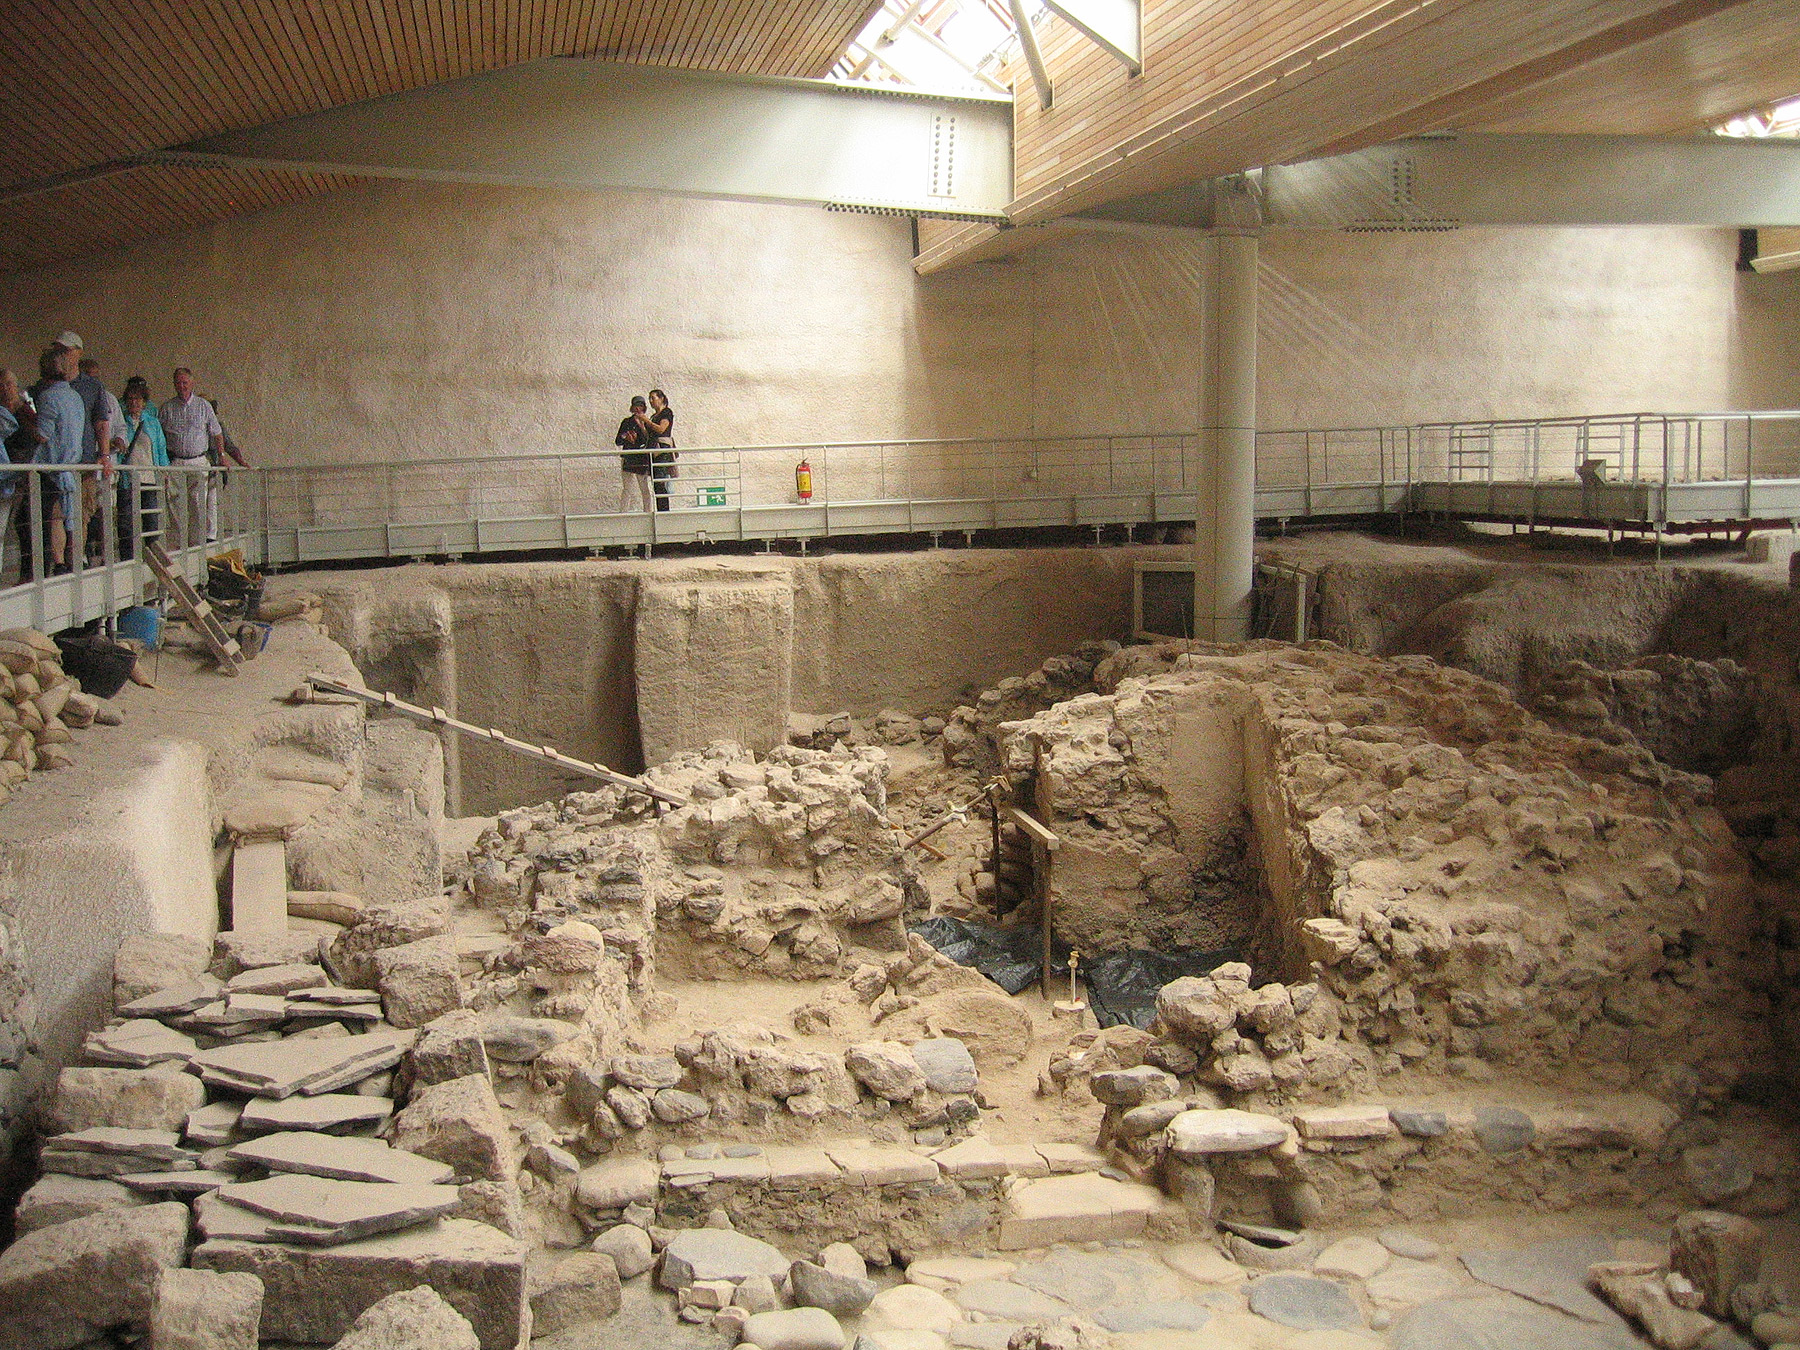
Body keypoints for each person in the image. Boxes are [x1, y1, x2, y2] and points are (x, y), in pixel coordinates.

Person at [30, 347, 82, 573]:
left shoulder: (49, 398)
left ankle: (58, 563)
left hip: (52, 469)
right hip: (71, 466)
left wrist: (27, 420)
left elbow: (43, 434)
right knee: (69, 517)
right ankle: (73, 561)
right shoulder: (75, 397)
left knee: (53, 518)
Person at [158, 366, 223, 548]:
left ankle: (198, 543)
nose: (182, 386)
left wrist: (221, 456)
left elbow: (217, 433)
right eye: (178, 383)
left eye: (185, 382)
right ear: (174, 384)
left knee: (198, 502)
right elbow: (159, 436)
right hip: (176, 460)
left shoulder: (204, 406)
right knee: (174, 502)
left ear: (192, 383)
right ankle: (180, 542)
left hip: (198, 459)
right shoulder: (167, 408)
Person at [0, 369, 46, 579]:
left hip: (20, 476)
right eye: (2, 385)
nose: (6, 389)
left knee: (22, 525)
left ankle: (29, 574)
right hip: (9, 474)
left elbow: (35, 440)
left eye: (9, 384)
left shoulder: (25, 412)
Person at [81, 356, 126, 561]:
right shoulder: (77, 396)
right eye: (89, 377)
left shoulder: (109, 399)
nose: (94, 382)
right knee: (86, 510)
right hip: (88, 462)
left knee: (107, 510)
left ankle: (106, 552)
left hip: (108, 462)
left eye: (96, 377)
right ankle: (85, 552)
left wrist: (119, 439)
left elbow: (120, 427)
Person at [118, 376, 168, 555]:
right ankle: (128, 558)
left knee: (150, 519)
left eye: (138, 399)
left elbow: (161, 448)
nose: (134, 402)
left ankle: (153, 555)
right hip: (128, 478)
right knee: (126, 521)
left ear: (144, 402)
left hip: (148, 477)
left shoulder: (152, 423)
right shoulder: (121, 422)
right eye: (130, 399)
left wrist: (165, 472)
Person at [615, 395, 653, 512]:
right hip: (629, 457)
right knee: (627, 488)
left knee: (644, 488)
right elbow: (618, 440)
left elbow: (649, 440)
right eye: (636, 406)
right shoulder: (627, 422)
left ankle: (648, 511)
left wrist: (643, 426)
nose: (638, 408)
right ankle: (623, 512)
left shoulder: (648, 422)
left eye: (640, 406)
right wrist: (626, 436)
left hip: (641, 458)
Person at [647, 388, 677, 512]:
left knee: (661, 480)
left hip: (662, 450)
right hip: (654, 450)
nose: (651, 401)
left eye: (653, 398)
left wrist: (645, 421)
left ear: (661, 398)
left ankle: (664, 510)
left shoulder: (666, 412)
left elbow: (661, 429)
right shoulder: (654, 416)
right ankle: (661, 509)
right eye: (649, 399)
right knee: (656, 482)